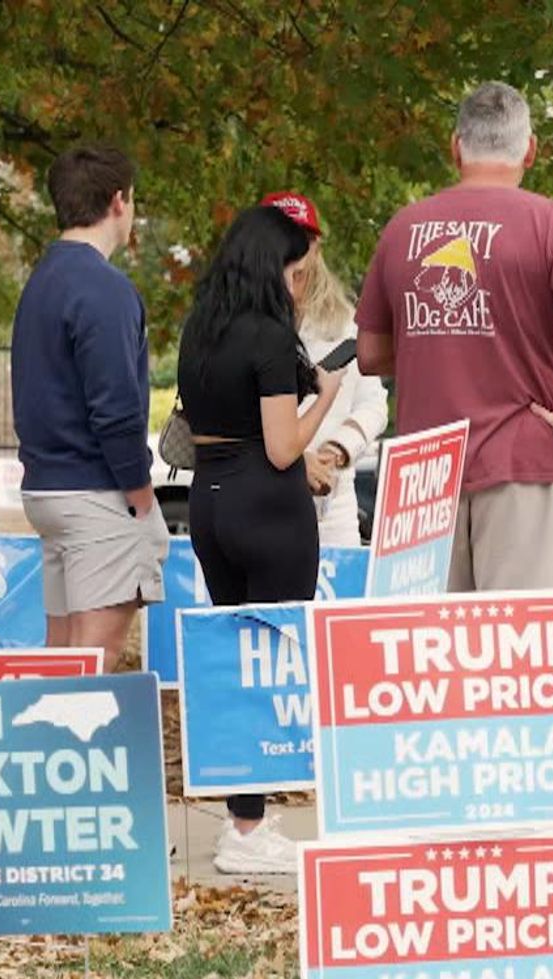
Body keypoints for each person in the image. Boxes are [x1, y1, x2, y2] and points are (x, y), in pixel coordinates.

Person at [356, 81, 553, 591]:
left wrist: (440, 345)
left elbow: (370, 354)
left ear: (455, 147)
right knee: (523, 654)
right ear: (530, 148)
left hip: (421, 480)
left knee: (429, 657)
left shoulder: (402, 228)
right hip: (522, 462)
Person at [177, 206, 345, 873]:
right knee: (267, 669)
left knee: (234, 662)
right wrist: (326, 394)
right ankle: (247, 829)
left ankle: (243, 815)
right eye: (298, 272)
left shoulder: (201, 328)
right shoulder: (269, 337)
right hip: (268, 509)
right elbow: (282, 449)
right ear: (275, 266)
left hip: (210, 503)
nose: (300, 285)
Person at [11, 145, 169, 670]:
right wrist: (142, 497)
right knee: (93, 664)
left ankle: (45, 749)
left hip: (47, 486)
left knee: (64, 660)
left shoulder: (41, 282)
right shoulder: (105, 289)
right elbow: (116, 409)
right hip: (97, 491)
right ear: (119, 201)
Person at [261, 191, 389, 547]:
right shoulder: (240, 326)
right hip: (261, 505)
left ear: (316, 247)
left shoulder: (345, 323)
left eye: (299, 241)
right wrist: (293, 460)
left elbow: (374, 403)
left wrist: (338, 448)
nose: (291, 252)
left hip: (333, 508)